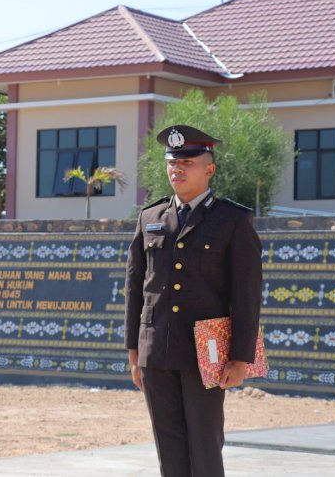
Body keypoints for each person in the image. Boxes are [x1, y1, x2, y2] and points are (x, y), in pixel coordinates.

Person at [124, 125, 262, 477]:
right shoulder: (150, 217)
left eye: (188, 162)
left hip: (208, 353)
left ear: (209, 169)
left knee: (204, 445)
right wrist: (133, 349)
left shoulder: (232, 220)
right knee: (168, 448)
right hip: (156, 349)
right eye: (172, 163)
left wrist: (241, 357)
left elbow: (246, 294)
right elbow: (135, 286)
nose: (178, 169)